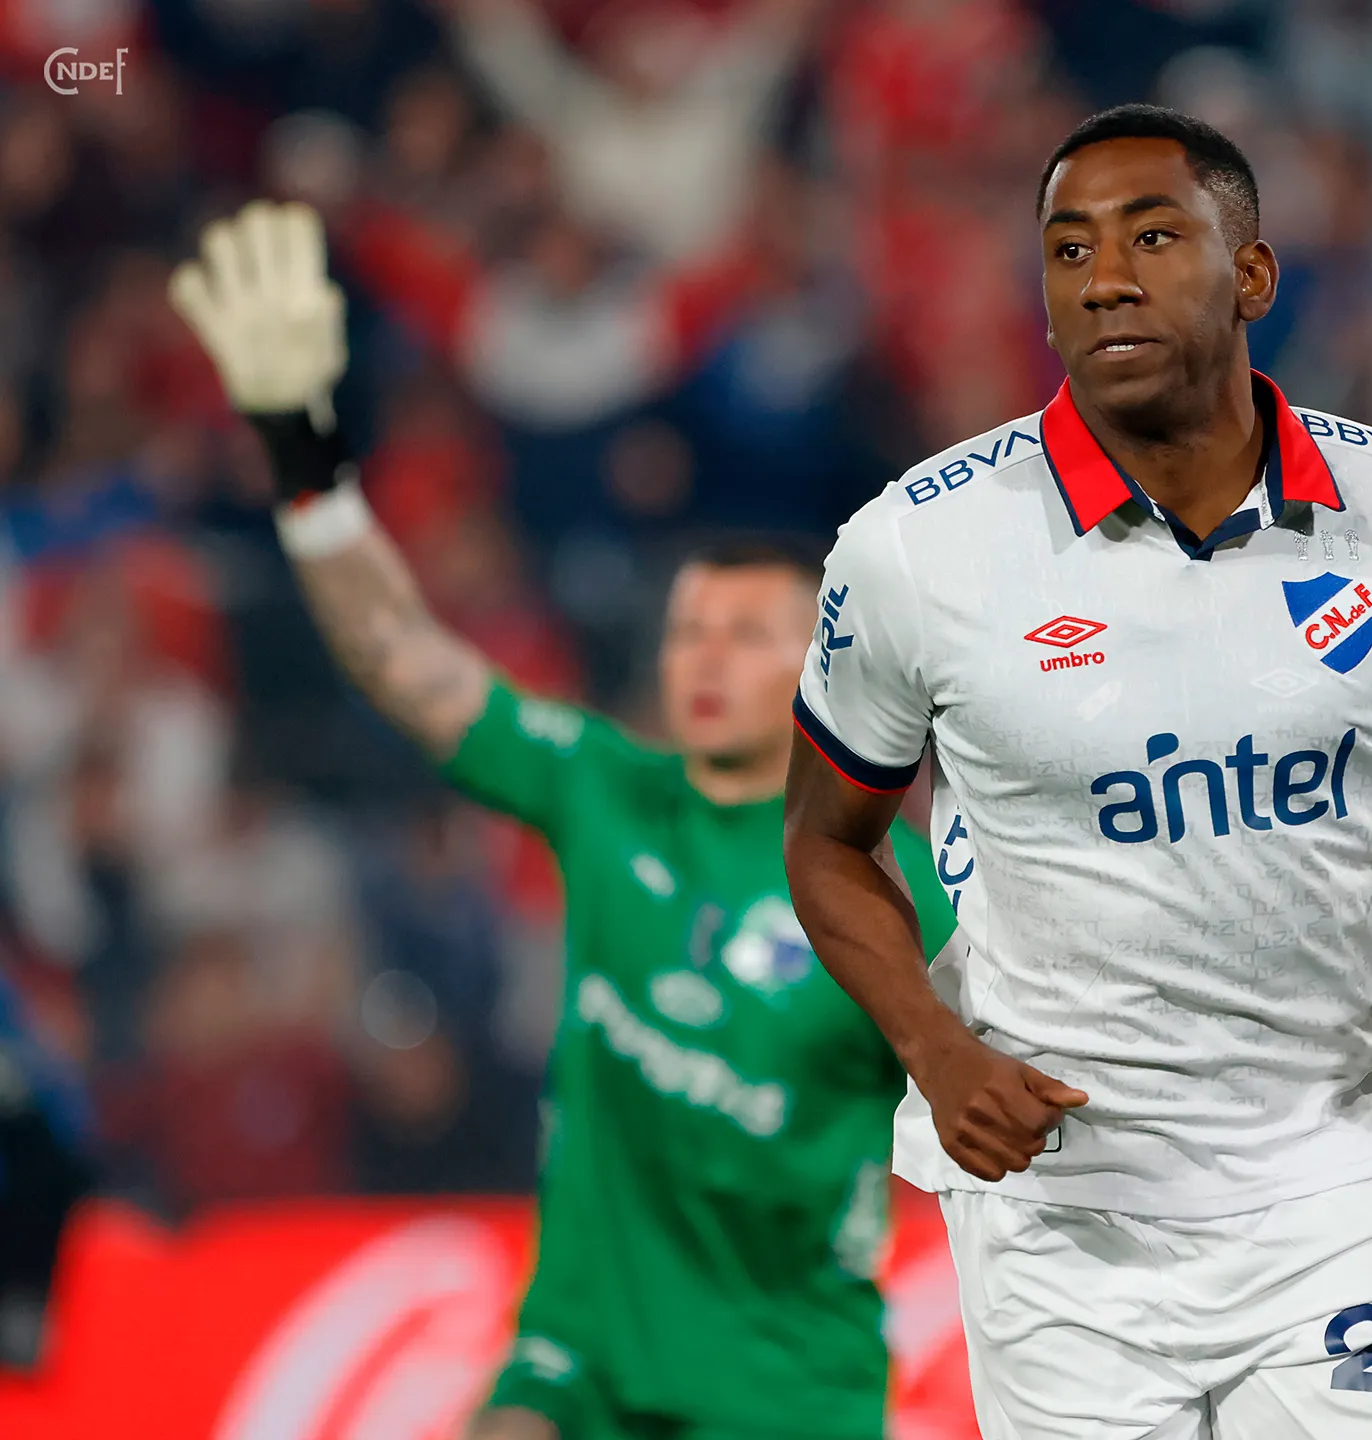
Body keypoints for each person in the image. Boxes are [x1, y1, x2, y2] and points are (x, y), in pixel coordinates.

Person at [783, 104, 1372, 1440]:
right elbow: (826, 841)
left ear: (1253, 275)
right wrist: (935, 1053)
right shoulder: (915, 552)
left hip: (1340, 1190)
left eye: (1153, 237)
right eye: (1068, 251)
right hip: (1063, 1227)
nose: (1103, 279)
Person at [168, 201, 961, 1440]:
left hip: (785, 1396)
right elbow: (401, 655)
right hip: (575, 1362)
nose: (703, 657)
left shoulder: (902, 894)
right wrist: (303, 455)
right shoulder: (605, 791)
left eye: (745, 634)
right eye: (689, 630)